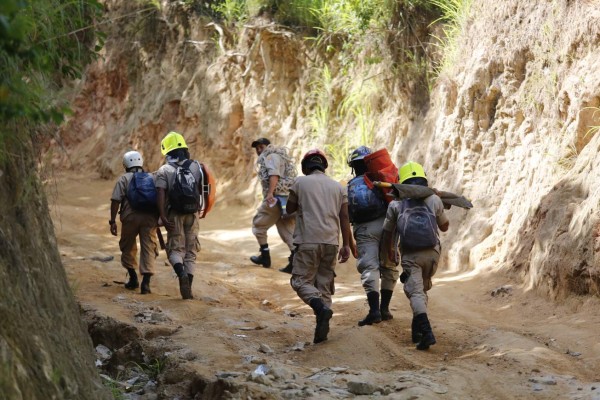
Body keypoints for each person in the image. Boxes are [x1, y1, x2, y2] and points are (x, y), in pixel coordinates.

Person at [287, 149, 356, 343]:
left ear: (305, 167)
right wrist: (346, 245)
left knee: (300, 282)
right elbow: (345, 217)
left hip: (308, 241)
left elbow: (289, 208)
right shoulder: (338, 187)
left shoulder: (300, 182)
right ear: (324, 166)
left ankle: (320, 309)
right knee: (324, 285)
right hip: (331, 243)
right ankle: (322, 329)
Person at [382, 161, 449, 350]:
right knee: (420, 290)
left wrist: (391, 250)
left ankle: (426, 332)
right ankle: (417, 328)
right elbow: (445, 227)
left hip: (411, 255)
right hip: (433, 254)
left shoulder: (396, 204)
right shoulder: (434, 200)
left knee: (415, 292)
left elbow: (388, 232)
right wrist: (439, 203)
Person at [346, 146, 399, 327]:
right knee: (389, 265)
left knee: (369, 266)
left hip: (365, 228)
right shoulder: (382, 180)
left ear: (353, 165)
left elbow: (347, 213)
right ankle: (385, 309)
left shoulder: (351, 184)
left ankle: (374, 311)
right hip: (387, 225)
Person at [155, 131, 203, 300]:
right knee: (191, 250)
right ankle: (188, 286)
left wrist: (162, 216)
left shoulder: (164, 170)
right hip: (193, 213)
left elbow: (160, 193)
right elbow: (202, 189)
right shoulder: (196, 166)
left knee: (175, 249)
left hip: (174, 214)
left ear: (167, 151)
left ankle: (181, 273)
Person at [109, 151, 158, 294]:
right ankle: (146, 283)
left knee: (127, 245)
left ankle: (133, 278)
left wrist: (112, 221)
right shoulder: (151, 177)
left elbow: (115, 201)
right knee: (148, 246)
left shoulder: (123, 179)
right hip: (150, 217)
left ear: (125, 164)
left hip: (130, 217)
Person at [249, 137, 297, 272]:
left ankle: (265, 256)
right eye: (257, 148)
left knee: (258, 225)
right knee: (286, 230)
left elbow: (273, 175)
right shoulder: (277, 156)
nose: (259, 150)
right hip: (287, 199)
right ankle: (295, 262)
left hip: (276, 198)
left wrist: (270, 193)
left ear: (268, 146)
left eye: (261, 147)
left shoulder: (271, 156)